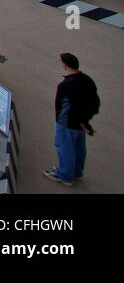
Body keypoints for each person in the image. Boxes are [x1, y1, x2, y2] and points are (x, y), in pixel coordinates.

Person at [44, 52, 99, 186]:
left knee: (65, 148)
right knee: (79, 147)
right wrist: (86, 121)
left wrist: (82, 120)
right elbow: (95, 101)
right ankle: (76, 172)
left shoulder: (67, 84)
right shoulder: (87, 79)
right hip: (80, 123)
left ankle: (65, 175)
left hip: (67, 121)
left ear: (65, 65)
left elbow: (74, 104)